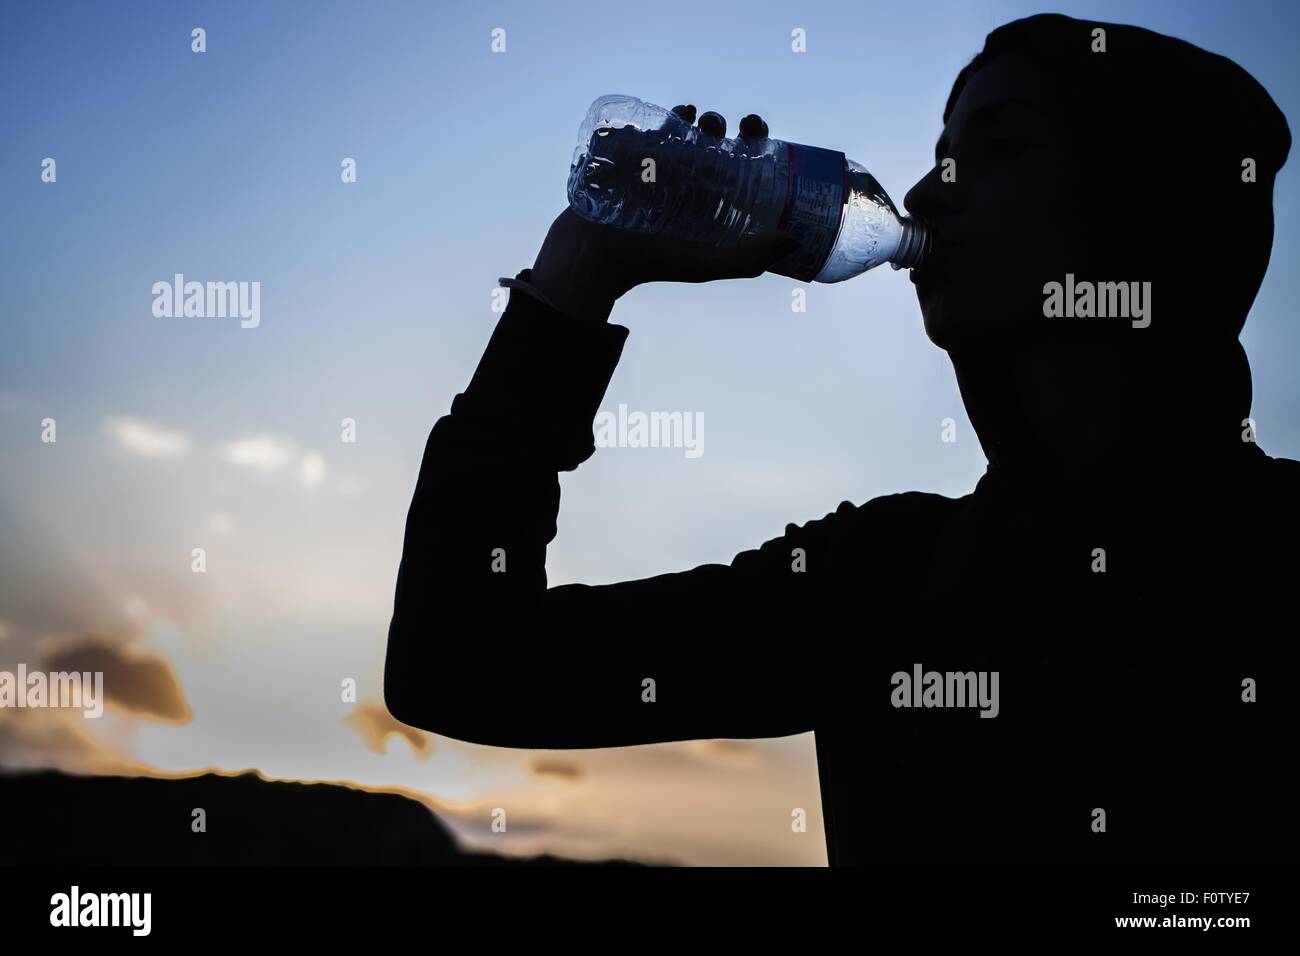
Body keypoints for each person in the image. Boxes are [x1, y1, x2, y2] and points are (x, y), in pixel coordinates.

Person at [385, 14, 1297, 866]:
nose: (923, 193)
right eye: (941, 154)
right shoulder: (881, 578)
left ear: (1151, 205)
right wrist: (581, 270)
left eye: (1002, 146)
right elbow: (461, 663)